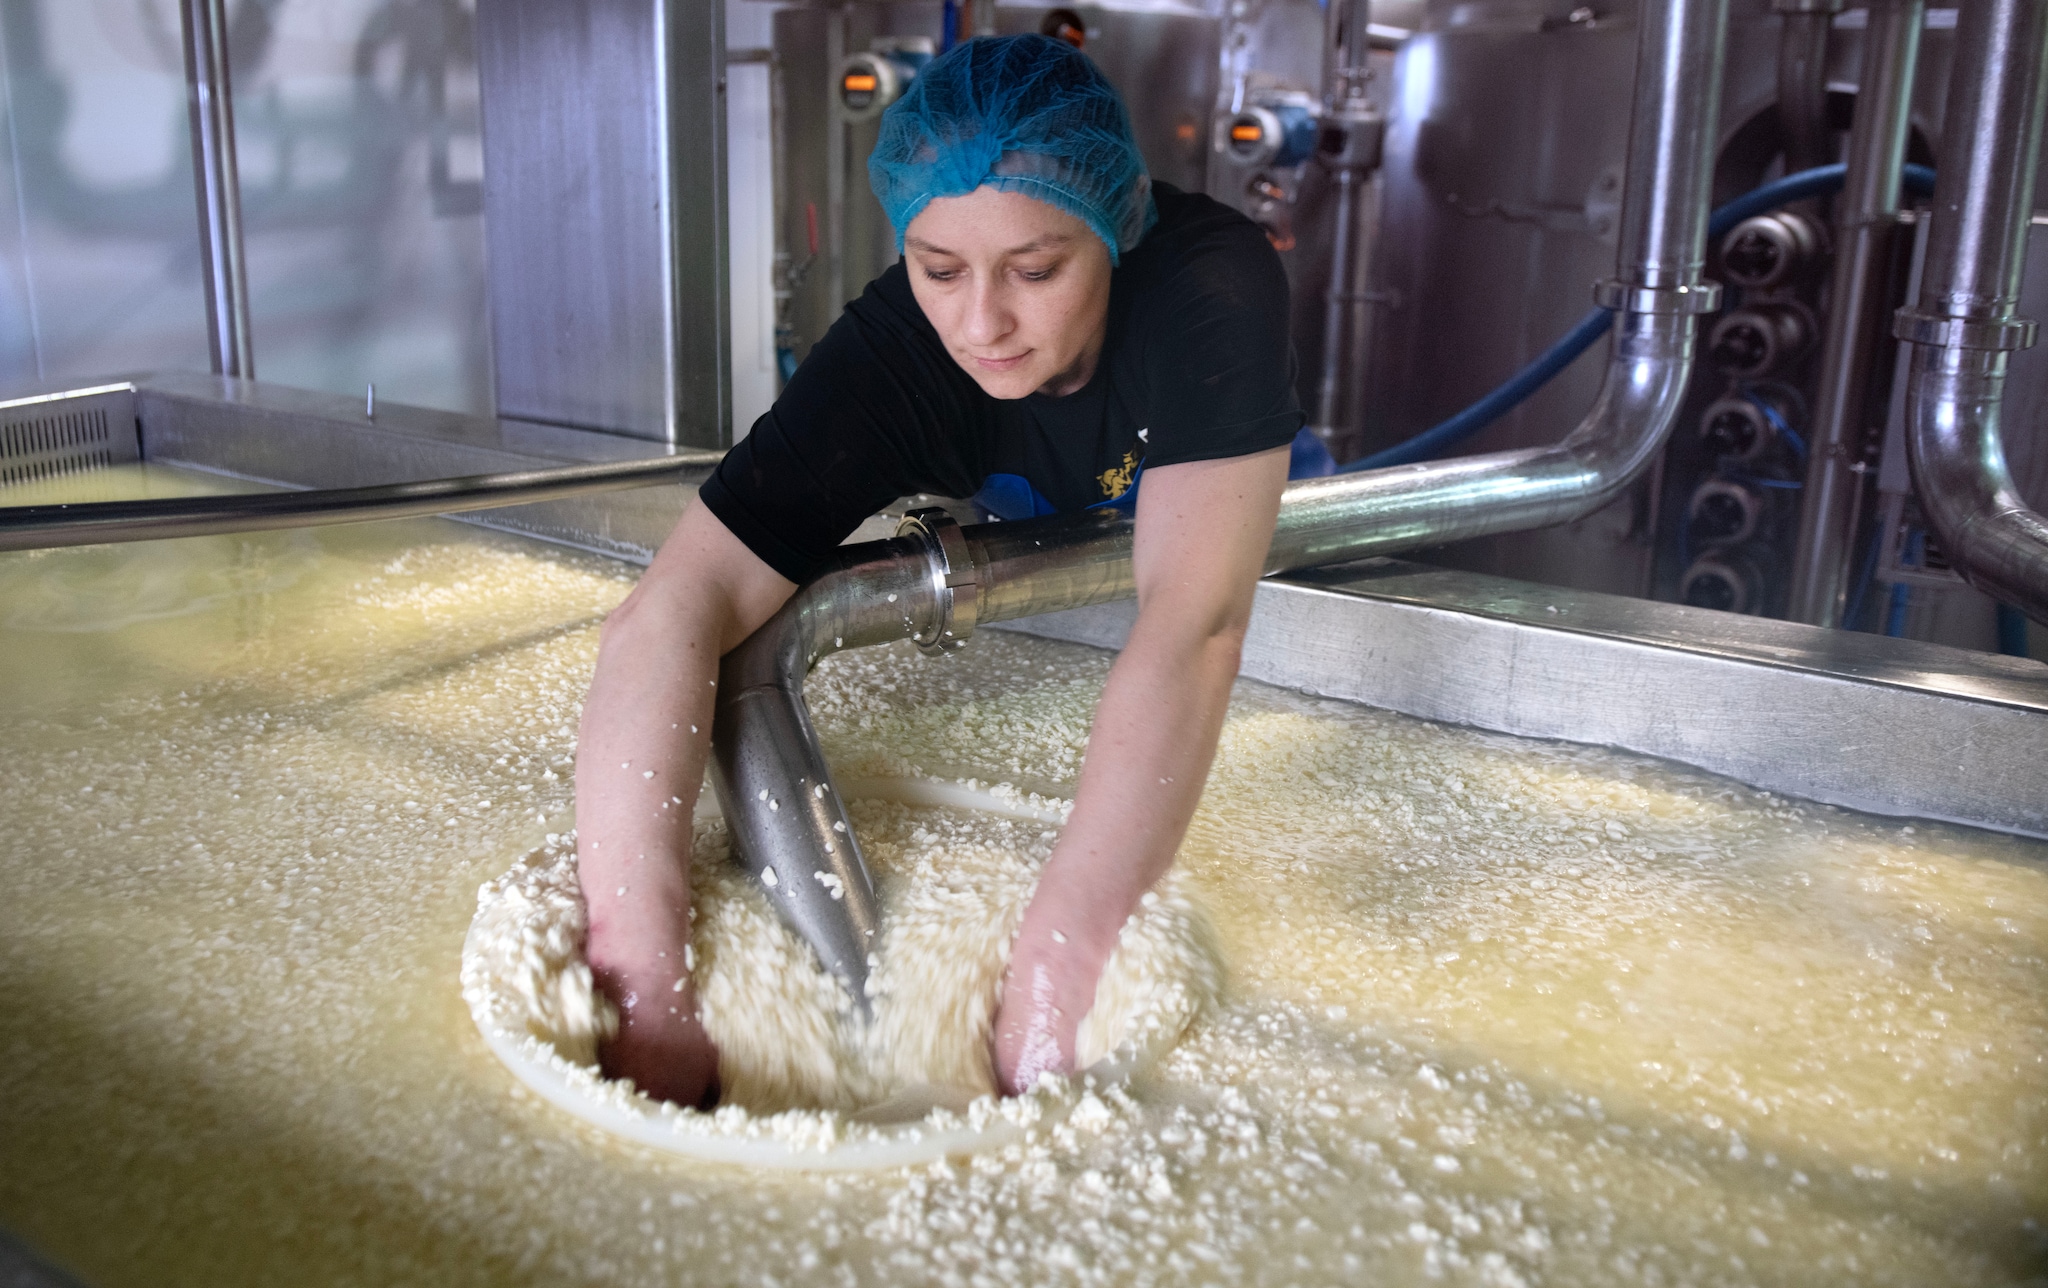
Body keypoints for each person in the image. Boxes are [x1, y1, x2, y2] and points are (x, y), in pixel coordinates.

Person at [576, 33, 1311, 1108]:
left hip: (1256, 535)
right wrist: (644, 982)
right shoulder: (903, 351)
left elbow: (1192, 625)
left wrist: (1056, 970)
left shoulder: (1208, 293)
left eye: (1037, 268)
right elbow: (672, 609)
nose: (981, 323)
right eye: (939, 268)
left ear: (1110, 231)